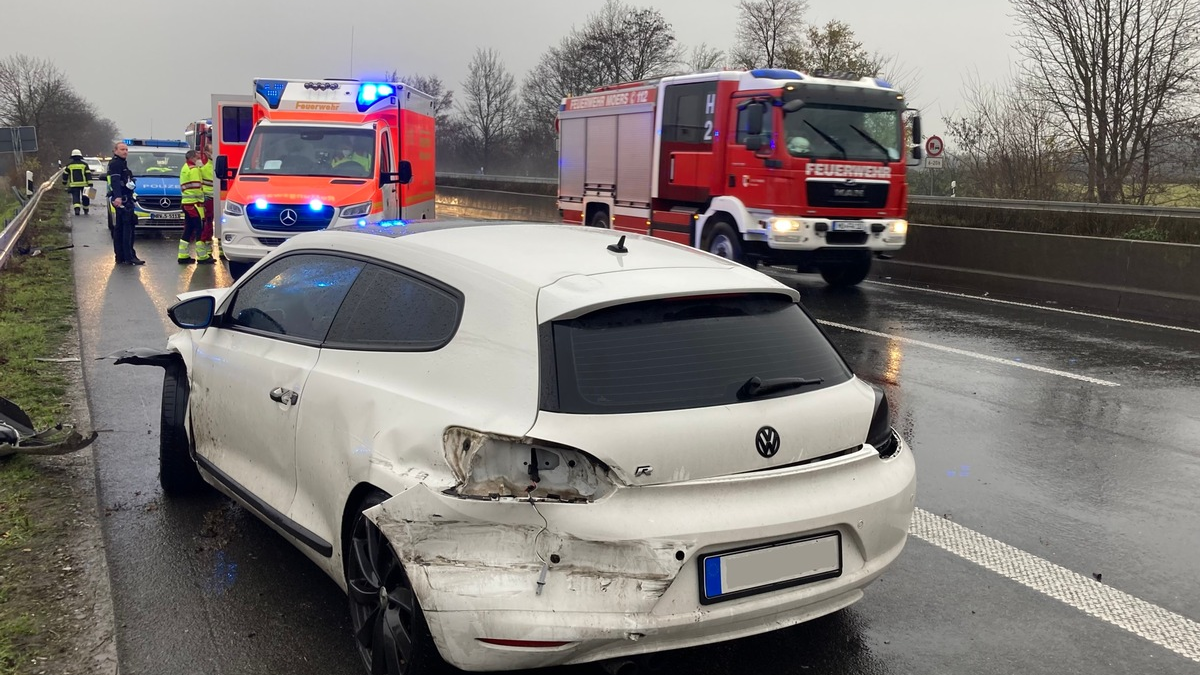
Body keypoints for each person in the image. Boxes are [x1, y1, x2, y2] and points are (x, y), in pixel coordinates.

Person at [107, 142, 144, 266]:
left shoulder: (122, 163)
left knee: (120, 229)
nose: (125, 151)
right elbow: (115, 181)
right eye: (122, 149)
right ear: (115, 151)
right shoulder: (116, 164)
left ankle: (121, 256)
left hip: (125, 198)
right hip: (122, 200)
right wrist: (117, 197)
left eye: (126, 149)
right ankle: (129, 256)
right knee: (127, 228)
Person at [178, 150, 207, 264]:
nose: (199, 159)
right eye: (198, 157)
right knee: (199, 229)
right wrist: (202, 200)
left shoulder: (185, 168)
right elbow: (197, 187)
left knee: (188, 229)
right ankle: (202, 256)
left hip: (186, 203)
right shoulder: (194, 170)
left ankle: (183, 255)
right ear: (193, 158)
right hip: (195, 204)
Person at [198, 132, 217, 263]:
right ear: (207, 154)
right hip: (209, 200)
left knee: (212, 227)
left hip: (215, 201)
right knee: (207, 226)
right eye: (212, 151)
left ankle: (209, 252)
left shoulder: (213, 166)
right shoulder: (204, 169)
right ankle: (203, 254)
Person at [62, 149, 92, 215]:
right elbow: (88, 174)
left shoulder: (69, 165)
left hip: (74, 185)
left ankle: (77, 210)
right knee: (86, 197)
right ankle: (86, 209)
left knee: (75, 197)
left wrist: (64, 182)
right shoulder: (85, 165)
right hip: (85, 184)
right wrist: (90, 184)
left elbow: (65, 174)